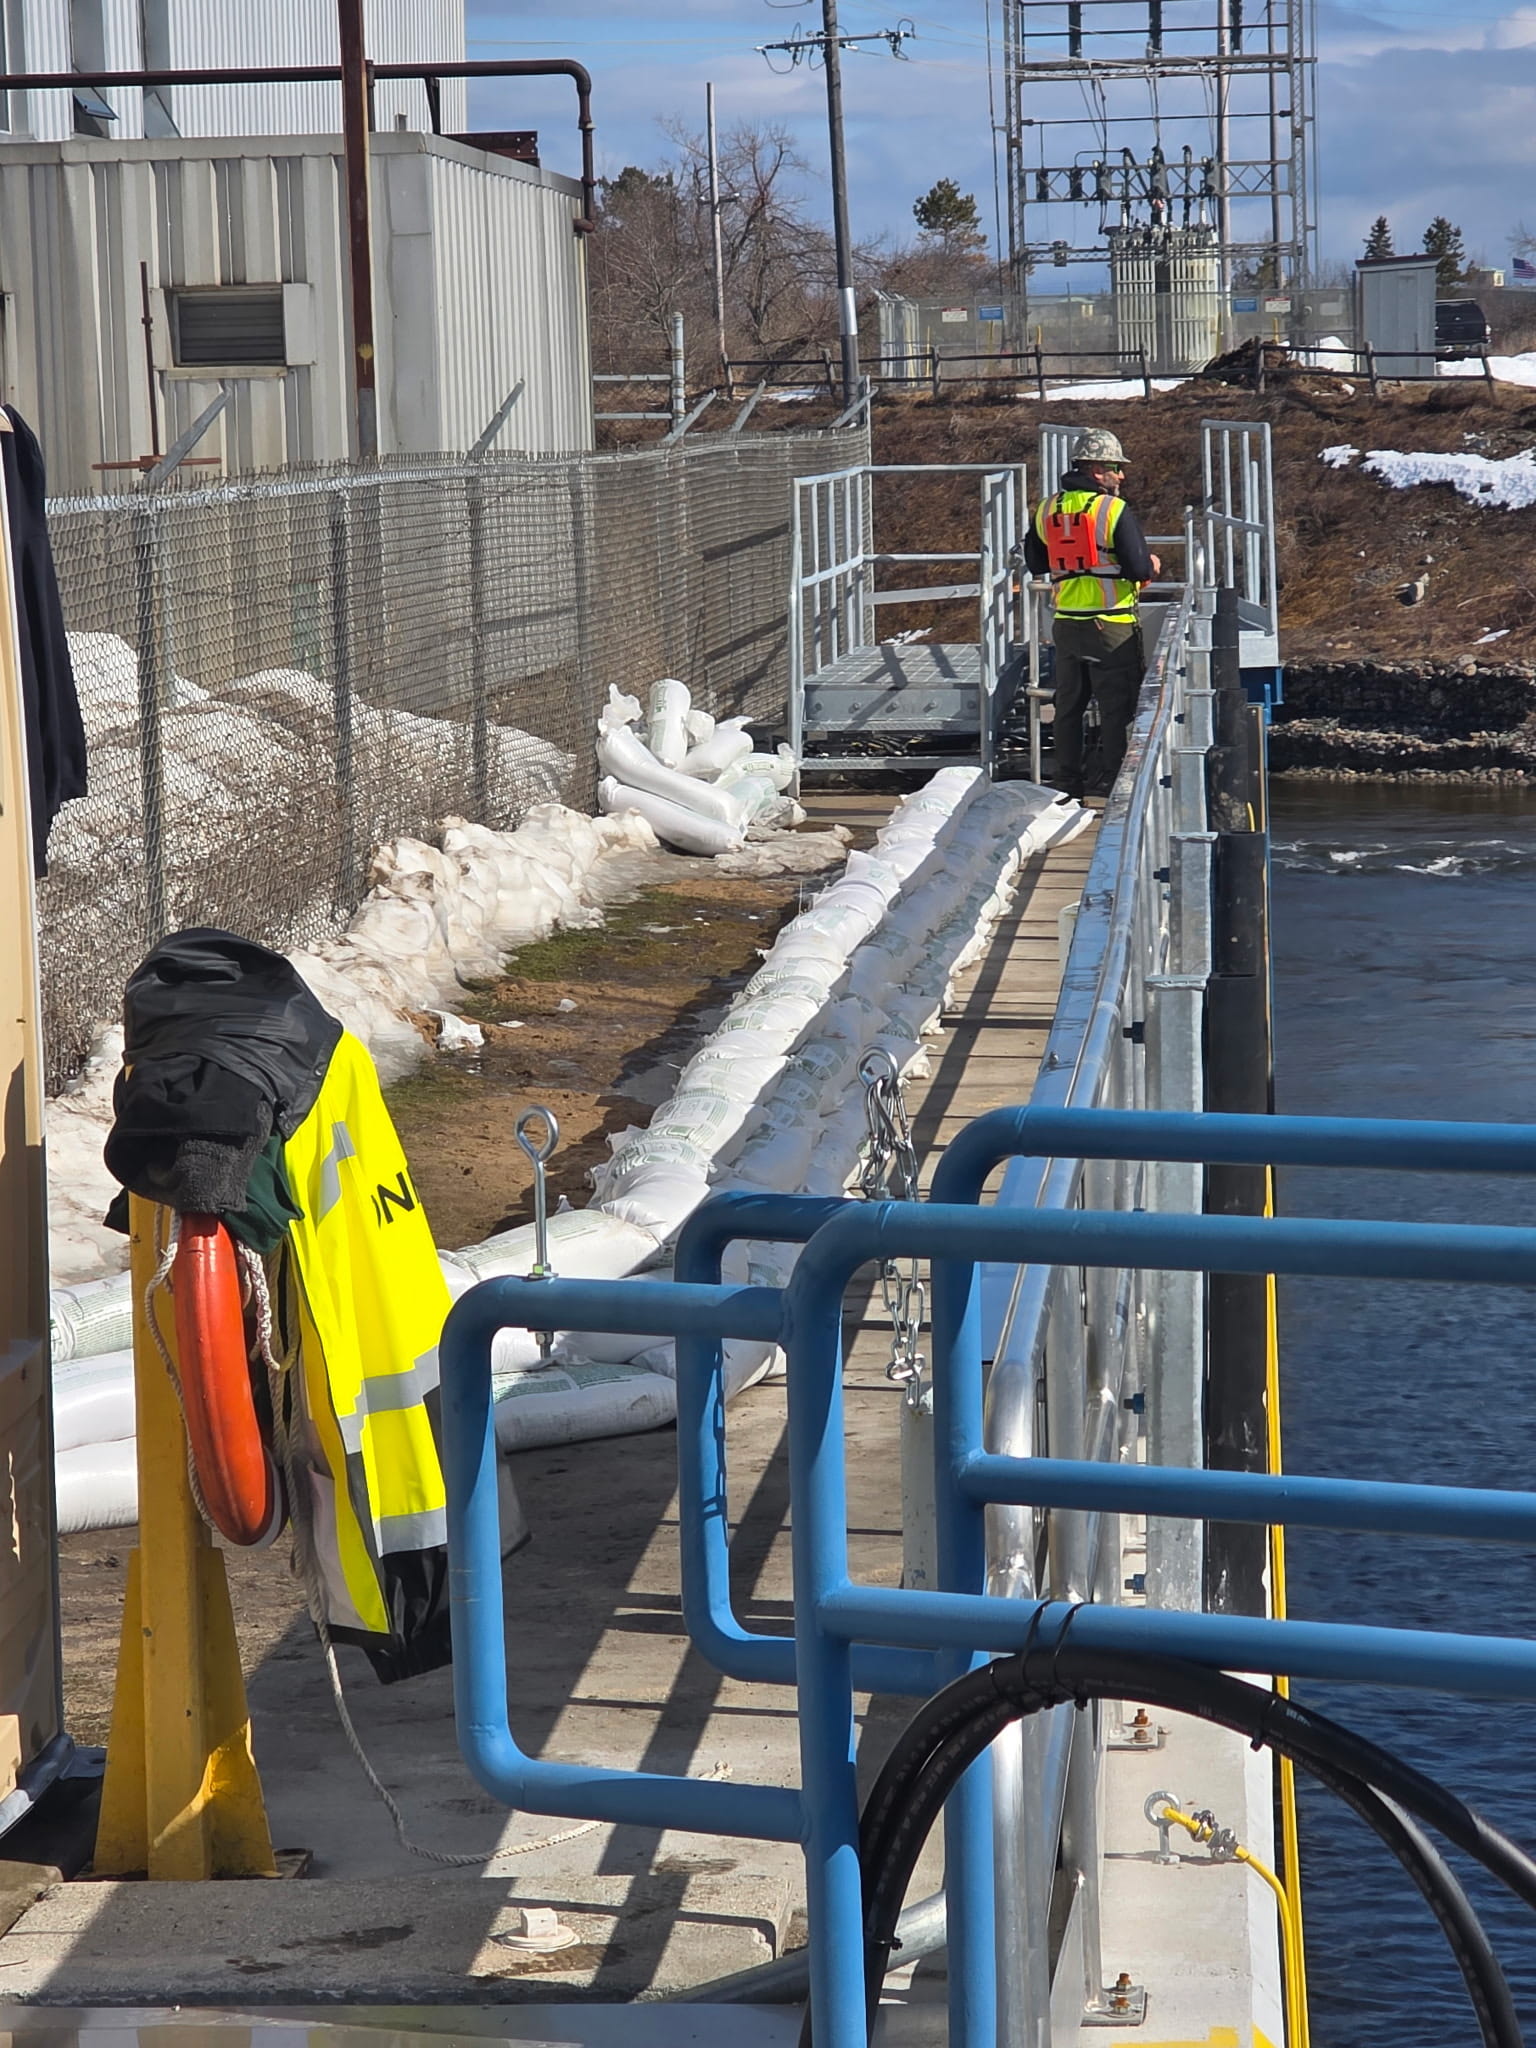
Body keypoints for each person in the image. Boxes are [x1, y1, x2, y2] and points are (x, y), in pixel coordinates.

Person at [1023, 428, 1161, 800]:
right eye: (1116, 467)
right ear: (1098, 470)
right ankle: (1118, 787)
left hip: (1067, 623)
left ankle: (1067, 787)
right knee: (1118, 710)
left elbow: (1036, 561)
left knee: (1068, 707)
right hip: (1112, 625)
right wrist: (1150, 564)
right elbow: (1137, 568)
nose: (1122, 475)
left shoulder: (1046, 508)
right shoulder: (1113, 509)